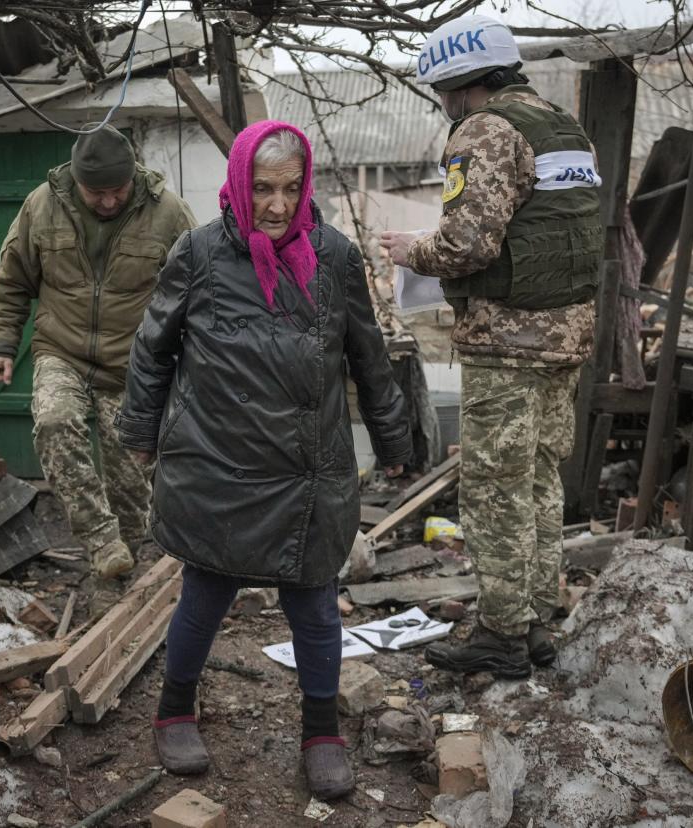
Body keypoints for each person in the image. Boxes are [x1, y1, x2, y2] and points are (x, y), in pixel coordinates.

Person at [115, 121, 411, 799]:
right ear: (240, 186)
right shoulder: (197, 252)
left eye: (290, 187)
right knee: (205, 595)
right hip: (218, 461)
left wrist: (395, 442)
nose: (277, 204)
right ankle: (174, 710)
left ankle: (321, 730)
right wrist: (140, 429)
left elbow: (367, 354)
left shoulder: (335, 256)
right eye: (263, 188)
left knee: (313, 605)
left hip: (307, 468)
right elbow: (152, 348)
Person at [380, 14, 603, 678]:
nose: (444, 103)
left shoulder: (485, 130)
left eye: (443, 90)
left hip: (508, 339)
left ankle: (502, 635)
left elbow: (468, 243)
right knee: (536, 481)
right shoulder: (563, 126)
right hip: (566, 336)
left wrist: (408, 250)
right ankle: (533, 619)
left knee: (494, 490)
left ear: (459, 83)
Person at [0, 125, 196, 579]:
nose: (107, 201)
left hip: (135, 363)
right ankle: (100, 540)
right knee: (55, 421)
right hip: (62, 349)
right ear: (76, 180)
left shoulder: (169, 213)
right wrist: (2, 344)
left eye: (116, 191)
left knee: (130, 481)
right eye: (95, 192)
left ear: (132, 176)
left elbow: (201, 292)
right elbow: (12, 281)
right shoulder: (42, 207)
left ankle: (117, 573)